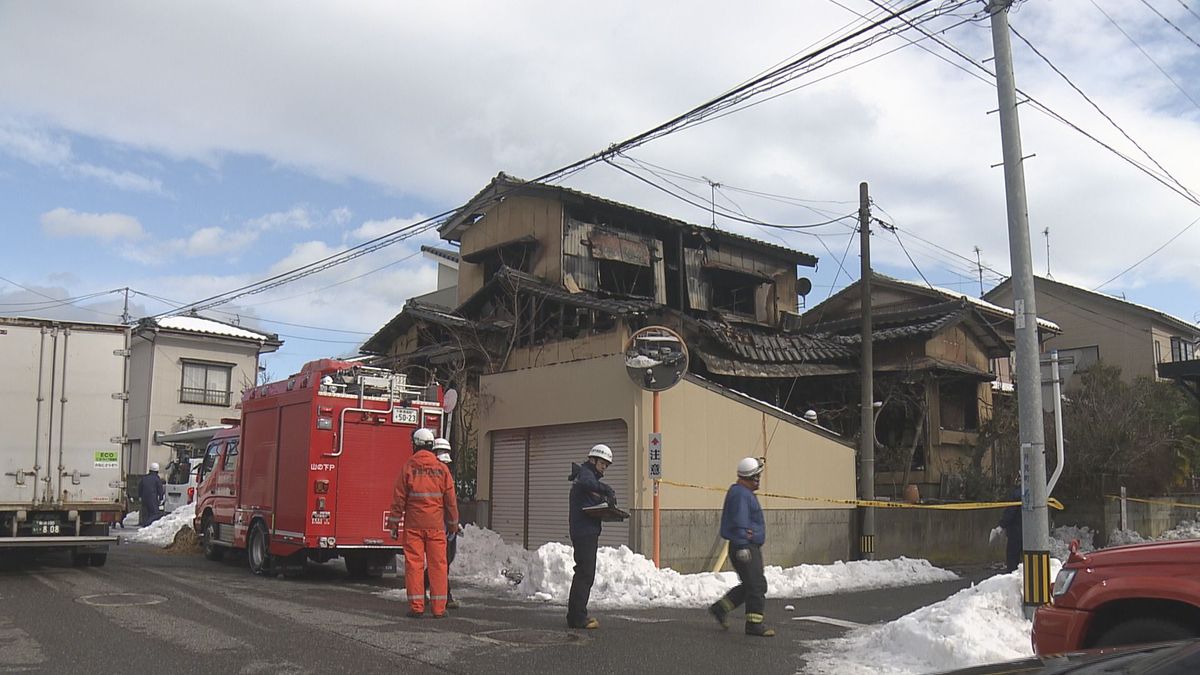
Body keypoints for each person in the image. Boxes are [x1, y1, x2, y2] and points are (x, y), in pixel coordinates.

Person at [389, 428, 460, 619]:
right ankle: (439, 609)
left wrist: (393, 524)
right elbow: (451, 501)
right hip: (436, 527)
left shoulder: (408, 468)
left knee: (415, 566)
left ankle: (417, 607)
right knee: (438, 566)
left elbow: (398, 500)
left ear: (415, 445)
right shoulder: (442, 469)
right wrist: (453, 524)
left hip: (414, 527)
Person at [708, 457, 775, 637]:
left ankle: (720, 608)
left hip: (745, 545)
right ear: (750, 477)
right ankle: (754, 625)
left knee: (750, 584)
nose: (759, 479)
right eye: (757, 476)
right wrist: (743, 545)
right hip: (744, 547)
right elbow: (739, 521)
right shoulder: (741, 495)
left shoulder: (742, 493)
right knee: (757, 585)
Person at [566, 443, 616, 630]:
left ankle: (576, 615)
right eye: (602, 463)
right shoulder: (585, 473)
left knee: (584, 573)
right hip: (583, 532)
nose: (604, 467)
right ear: (592, 459)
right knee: (585, 573)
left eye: (606, 465)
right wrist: (606, 489)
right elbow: (588, 483)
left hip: (587, 531)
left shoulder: (589, 478)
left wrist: (606, 503)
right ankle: (577, 618)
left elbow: (591, 498)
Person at [424, 438, 459, 609]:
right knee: (440, 562)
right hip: (439, 527)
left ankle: (425, 589)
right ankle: (446, 596)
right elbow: (448, 503)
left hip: (443, 526)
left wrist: (454, 524)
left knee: (443, 561)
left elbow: (451, 503)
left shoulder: (441, 474)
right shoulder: (437, 474)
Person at [997, 484, 1023, 572]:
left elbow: (1010, 511)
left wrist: (1002, 525)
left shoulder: (1017, 494)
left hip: (1016, 530)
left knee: (1012, 557)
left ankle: (1012, 576)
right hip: (1029, 531)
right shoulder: (1035, 491)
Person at [138, 462, 165, 526]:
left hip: (144, 498)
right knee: (154, 513)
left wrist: (139, 496)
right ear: (157, 471)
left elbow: (140, 487)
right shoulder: (157, 479)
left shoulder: (144, 478)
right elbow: (160, 489)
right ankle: (148, 524)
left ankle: (145, 524)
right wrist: (161, 498)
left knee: (145, 513)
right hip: (152, 499)